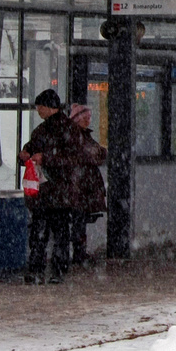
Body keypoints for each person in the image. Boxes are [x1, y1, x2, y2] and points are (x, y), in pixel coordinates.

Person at [19, 89, 77, 284]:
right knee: (45, 231)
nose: (38, 111)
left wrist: (46, 159)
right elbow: (31, 146)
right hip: (47, 192)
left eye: (40, 107)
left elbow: (72, 159)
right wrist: (25, 153)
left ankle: (49, 270)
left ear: (48, 107)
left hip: (59, 192)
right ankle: (45, 270)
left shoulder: (67, 130)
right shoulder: (44, 130)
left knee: (51, 231)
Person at [65, 103, 107, 267]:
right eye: (86, 118)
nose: (89, 121)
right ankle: (79, 253)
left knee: (79, 220)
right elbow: (94, 154)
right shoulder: (78, 136)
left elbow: (95, 153)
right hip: (79, 187)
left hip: (80, 186)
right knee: (79, 220)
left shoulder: (78, 135)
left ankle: (79, 252)